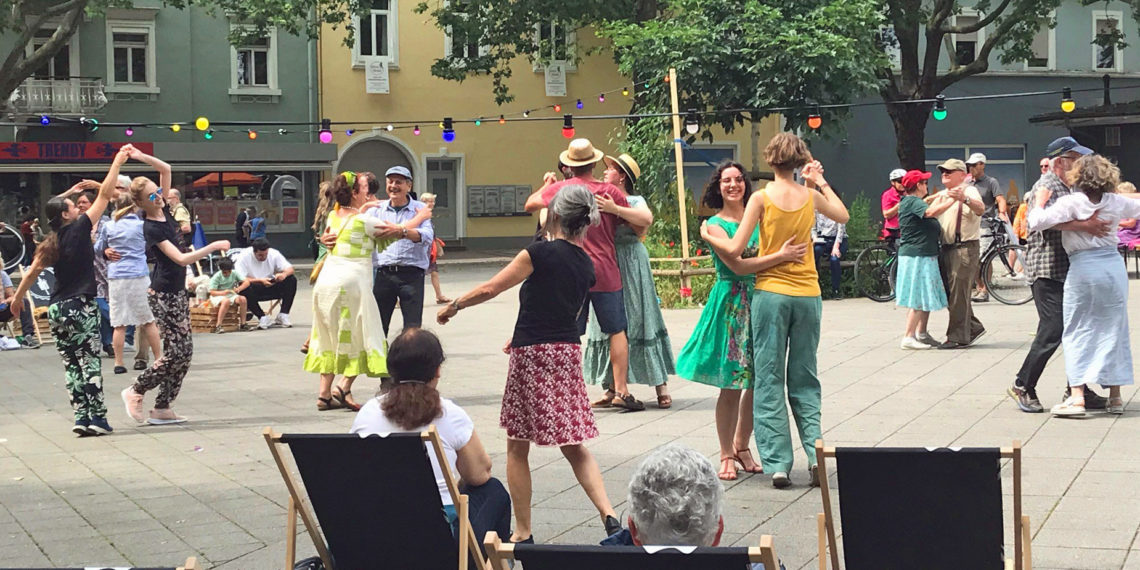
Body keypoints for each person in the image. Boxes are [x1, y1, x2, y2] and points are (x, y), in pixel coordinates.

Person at [438, 185, 623, 543]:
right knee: (574, 444)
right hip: (566, 352)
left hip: (533, 353)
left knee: (517, 444)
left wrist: (455, 305)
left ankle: (523, 530)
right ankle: (609, 515)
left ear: (556, 215)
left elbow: (492, 288)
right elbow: (565, 309)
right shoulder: (586, 264)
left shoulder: (539, 252)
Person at [700, 133, 848, 489]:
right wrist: (819, 180)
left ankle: (779, 463)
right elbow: (842, 214)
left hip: (771, 294)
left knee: (768, 378)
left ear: (770, 161)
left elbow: (735, 249)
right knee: (805, 376)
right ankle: (814, 454)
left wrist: (709, 235)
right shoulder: (810, 197)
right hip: (808, 294)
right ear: (800, 162)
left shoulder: (761, 198)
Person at [677, 161, 807, 481]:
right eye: (726, 180)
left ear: (746, 184)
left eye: (738, 179)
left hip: (762, 299)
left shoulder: (758, 216)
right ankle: (725, 453)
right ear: (718, 186)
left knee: (757, 380)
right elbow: (738, 266)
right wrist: (780, 256)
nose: (733, 185)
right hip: (731, 305)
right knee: (732, 382)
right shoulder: (715, 224)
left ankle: (742, 445)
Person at [351, 328, 511, 555]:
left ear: (391, 369)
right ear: (437, 370)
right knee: (493, 490)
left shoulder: (367, 412)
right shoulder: (448, 413)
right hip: (437, 534)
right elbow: (479, 474)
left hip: (373, 527)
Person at [6, 146, 129, 436]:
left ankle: (81, 416)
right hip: (80, 305)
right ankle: (98, 418)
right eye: (74, 206)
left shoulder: (51, 241)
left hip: (57, 308)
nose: (79, 208)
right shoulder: (81, 227)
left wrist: (18, 299)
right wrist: (116, 162)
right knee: (89, 362)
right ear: (66, 214)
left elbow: (32, 272)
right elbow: (105, 194)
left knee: (71, 364)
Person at [524, 138, 644, 411]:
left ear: (569, 165)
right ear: (594, 162)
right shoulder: (609, 192)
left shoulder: (560, 189)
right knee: (616, 330)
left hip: (570, 269)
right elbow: (637, 223)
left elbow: (530, 204)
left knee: (567, 331)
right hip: (605, 269)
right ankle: (621, 390)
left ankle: (566, 390)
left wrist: (547, 185)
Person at [119, 147, 230, 426]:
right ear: (141, 203)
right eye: (151, 196)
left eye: (158, 192)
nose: (158, 197)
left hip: (178, 292)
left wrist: (139, 156)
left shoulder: (165, 210)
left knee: (185, 352)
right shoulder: (151, 227)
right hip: (163, 294)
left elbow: (166, 169)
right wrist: (213, 246)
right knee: (174, 353)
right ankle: (136, 389)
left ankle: (163, 407)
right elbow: (179, 258)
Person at [1028, 154, 1140, 417]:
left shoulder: (1072, 202)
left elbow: (1035, 222)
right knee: (1115, 328)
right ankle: (1115, 396)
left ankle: (1077, 396)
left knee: (1077, 328)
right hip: (1113, 267)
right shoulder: (1115, 201)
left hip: (1083, 266)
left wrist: (1040, 202)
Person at [307, 171, 427, 411]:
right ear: (354, 193)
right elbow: (395, 230)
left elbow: (340, 228)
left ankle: (324, 394)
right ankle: (343, 387)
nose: (370, 192)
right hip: (350, 283)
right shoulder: (364, 221)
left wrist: (365, 208)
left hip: (326, 282)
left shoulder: (334, 216)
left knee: (328, 336)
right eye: (365, 188)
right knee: (361, 334)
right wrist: (422, 216)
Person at [1008, 137, 1111, 414]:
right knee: (1052, 328)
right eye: (1076, 159)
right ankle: (1022, 385)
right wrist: (1085, 226)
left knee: (1077, 329)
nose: (1081, 164)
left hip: (1069, 268)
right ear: (1061, 162)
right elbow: (1040, 223)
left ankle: (1077, 388)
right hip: (1047, 269)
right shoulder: (1046, 186)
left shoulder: (1071, 186)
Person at [586, 153, 674, 410]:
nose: (605, 172)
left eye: (611, 169)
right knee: (610, 321)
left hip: (632, 261)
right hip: (608, 260)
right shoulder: (601, 198)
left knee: (642, 315)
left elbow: (646, 220)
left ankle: (661, 385)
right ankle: (612, 386)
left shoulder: (635, 200)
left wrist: (615, 209)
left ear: (622, 176)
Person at [366, 167, 435, 338]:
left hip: (412, 275)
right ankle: (380, 355)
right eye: (390, 182)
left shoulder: (420, 209)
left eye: (399, 182)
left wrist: (402, 232)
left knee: (412, 328)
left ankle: (409, 355)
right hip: (384, 274)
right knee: (378, 326)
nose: (393, 186)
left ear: (408, 186)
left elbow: (427, 236)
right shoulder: (376, 209)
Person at [102, 193, 162, 375]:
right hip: (138, 273)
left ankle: (118, 362)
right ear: (135, 207)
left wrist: (106, 251)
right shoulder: (141, 225)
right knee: (148, 320)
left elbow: (98, 248)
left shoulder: (108, 225)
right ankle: (159, 359)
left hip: (117, 275)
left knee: (119, 323)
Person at [894, 170, 956, 350]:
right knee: (918, 295)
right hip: (917, 255)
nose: (927, 185)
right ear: (918, 185)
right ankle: (908, 336)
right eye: (924, 182)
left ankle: (921, 333)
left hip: (923, 254)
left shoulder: (913, 201)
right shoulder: (912, 202)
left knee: (925, 294)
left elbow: (928, 205)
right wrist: (953, 200)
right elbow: (929, 212)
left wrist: (941, 197)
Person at [933, 159, 986, 349]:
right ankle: (973, 327)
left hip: (963, 248)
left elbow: (980, 209)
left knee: (958, 294)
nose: (944, 173)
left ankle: (956, 337)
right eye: (943, 171)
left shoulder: (969, 190)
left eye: (950, 170)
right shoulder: (944, 193)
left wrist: (965, 199)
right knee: (952, 293)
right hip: (947, 248)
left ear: (962, 175)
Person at [95, 175, 135, 359]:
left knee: (131, 307)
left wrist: (99, 185)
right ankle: (110, 344)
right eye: (114, 187)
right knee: (109, 304)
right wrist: (105, 250)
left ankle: (128, 340)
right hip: (109, 269)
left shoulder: (139, 211)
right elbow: (99, 246)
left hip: (133, 270)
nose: (115, 192)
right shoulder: (109, 219)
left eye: (119, 188)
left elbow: (157, 196)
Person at [965, 153, 1007, 303]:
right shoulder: (967, 183)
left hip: (985, 225)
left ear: (982, 165)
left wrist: (1002, 213)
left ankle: (984, 290)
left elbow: (1000, 199)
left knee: (983, 258)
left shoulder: (991, 182)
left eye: (974, 165)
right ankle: (979, 287)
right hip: (969, 225)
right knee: (973, 259)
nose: (970, 168)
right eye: (969, 165)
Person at [235, 238, 296, 329]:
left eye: (265, 254)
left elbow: (290, 269)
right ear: (254, 252)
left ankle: (283, 314)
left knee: (291, 279)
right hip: (254, 287)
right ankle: (262, 317)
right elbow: (239, 278)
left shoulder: (274, 253)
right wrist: (260, 280)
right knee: (244, 286)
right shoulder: (244, 256)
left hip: (271, 285)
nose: (263, 257)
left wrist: (283, 275)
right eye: (260, 255)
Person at [419, 192, 452, 305]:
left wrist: (437, 244)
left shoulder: (428, 215)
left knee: (434, 272)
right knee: (417, 275)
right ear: (423, 202)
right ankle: (400, 298)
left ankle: (439, 295)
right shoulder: (419, 214)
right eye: (430, 201)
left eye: (433, 201)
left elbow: (431, 233)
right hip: (421, 249)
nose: (433, 204)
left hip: (429, 249)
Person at [1, 265, 40, 349]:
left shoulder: (2, 275)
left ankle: (27, 336)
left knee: (23, 301)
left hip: (2, 309)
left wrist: (6, 301)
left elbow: (12, 296)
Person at [207, 257, 248, 334]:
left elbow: (246, 282)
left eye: (229, 272)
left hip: (230, 294)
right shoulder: (217, 277)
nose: (227, 274)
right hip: (218, 295)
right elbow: (212, 292)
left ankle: (243, 323)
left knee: (243, 299)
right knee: (226, 301)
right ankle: (218, 325)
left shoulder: (234, 273)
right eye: (224, 272)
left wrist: (239, 289)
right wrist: (223, 293)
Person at [813, 211, 847, 299]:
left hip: (839, 239)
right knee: (815, 252)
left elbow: (841, 231)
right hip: (823, 239)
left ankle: (836, 290)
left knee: (834, 259)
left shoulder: (836, 209)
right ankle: (815, 286)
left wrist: (836, 246)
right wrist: (815, 238)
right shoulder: (816, 211)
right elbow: (813, 229)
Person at [881, 169, 907, 247]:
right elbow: (886, 215)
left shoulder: (908, 193)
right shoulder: (888, 195)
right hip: (893, 232)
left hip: (906, 230)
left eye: (904, 181)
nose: (903, 184)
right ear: (893, 182)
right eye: (900, 181)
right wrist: (899, 205)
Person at [1116, 182, 1140, 248]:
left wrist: (1115, 222)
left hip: (1132, 232)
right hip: (1125, 230)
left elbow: (1131, 224)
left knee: (1111, 238)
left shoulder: (1133, 204)